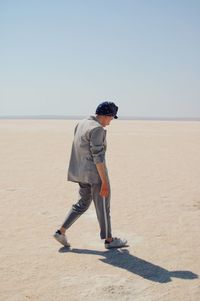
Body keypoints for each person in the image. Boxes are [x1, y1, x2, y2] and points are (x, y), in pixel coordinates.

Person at [53, 101, 128, 249]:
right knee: (103, 207)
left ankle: (60, 232)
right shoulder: (97, 129)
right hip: (95, 175)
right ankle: (109, 240)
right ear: (106, 115)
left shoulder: (81, 123)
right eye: (111, 118)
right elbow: (98, 157)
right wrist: (104, 182)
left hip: (80, 172)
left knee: (83, 203)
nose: (110, 122)